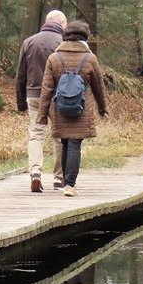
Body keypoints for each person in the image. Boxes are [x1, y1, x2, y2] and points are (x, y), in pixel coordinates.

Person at [36, 20, 108, 197]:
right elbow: (98, 87)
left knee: (65, 142)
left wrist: (42, 114)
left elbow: (47, 89)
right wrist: (102, 108)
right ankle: (70, 185)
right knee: (75, 143)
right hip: (81, 108)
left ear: (65, 36)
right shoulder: (90, 58)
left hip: (60, 108)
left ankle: (66, 182)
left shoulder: (54, 58)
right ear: (85, 37)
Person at [16, 9, 67, 193]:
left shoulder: (29, 42)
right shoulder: (63, 43)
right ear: (61, 23)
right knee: (60, 136)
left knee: (36, 134)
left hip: (34, 95)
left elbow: (20, 75)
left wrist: (21, 103)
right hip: (57, 95)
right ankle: (59, 179)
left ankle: (35, 171)